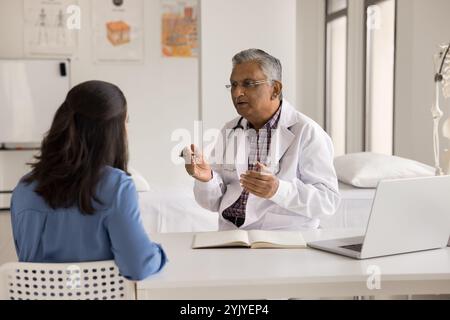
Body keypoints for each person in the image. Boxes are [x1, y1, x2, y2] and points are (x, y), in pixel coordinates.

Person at [10, 80, 166, 281]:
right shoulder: (116, 186)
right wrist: (158, 253)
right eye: (126, 121)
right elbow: (139, 266)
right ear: (113, 131)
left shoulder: (24, 188)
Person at [183, 49, 340, 231]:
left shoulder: (307, 131)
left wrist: (278, 190)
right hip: (231, 236)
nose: (237, 92)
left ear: (275, 89)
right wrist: (206, 179)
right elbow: (212, 203)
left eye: (248, 84)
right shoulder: (230, 129)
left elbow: (327, 201)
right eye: (233, 85)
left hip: (283, 238)